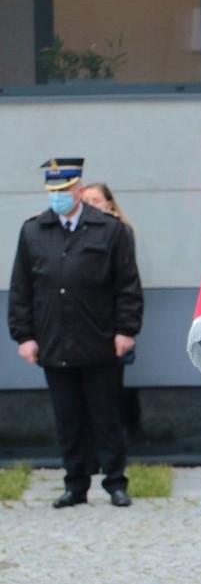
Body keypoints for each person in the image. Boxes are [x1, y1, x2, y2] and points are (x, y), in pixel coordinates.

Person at [8, 157, 144, 507]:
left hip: (99, 337)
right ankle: (75, 484)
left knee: (106, 414)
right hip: (54, 339)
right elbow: (21, 288)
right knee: (67, 417)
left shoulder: (109, 229)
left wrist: (126, 330)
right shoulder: (33, 230)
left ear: (79, 190)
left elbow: (127, 285)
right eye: (52, 191)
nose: (58, 197)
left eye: (64, 190)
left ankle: (115, 482)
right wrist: (24, 336)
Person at [81, 181, 142, 436]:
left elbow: (126, 282)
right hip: (84, 323)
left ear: (109, 203)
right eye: (86, 202)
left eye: (96, 200)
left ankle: (124, 434)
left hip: (110, 322)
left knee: (111, 388)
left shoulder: (120, 232)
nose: (91, 206)